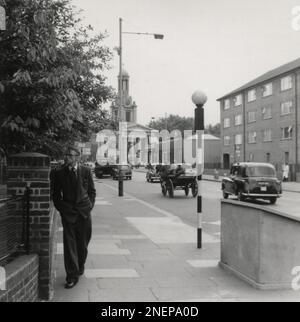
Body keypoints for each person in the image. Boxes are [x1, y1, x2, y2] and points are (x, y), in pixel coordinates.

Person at [52, 146, 96, 289]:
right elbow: (56, 196)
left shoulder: (85, 171)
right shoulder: (59, 173)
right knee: (70, 245)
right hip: (69, 214)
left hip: (84, 213)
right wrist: (63, 210)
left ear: (77, 157)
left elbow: (91, 191)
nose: (67, 157)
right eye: (66, 155)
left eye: (70, 155)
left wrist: (89, 207)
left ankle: (80, 264)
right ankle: (72, 275)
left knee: (82, 244)